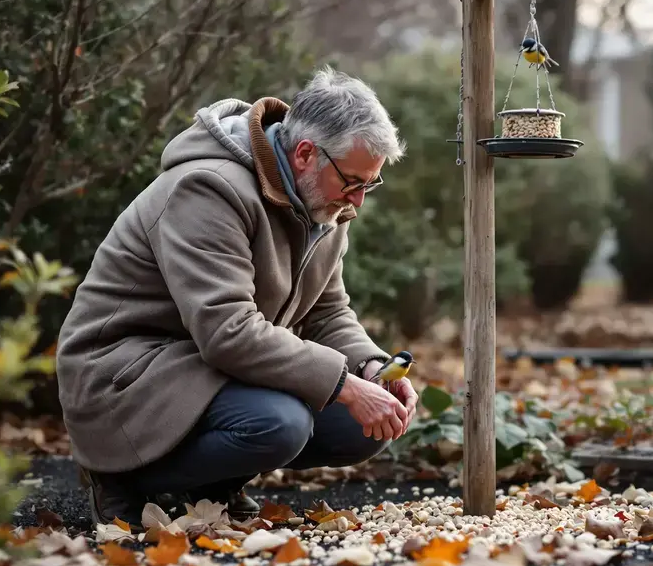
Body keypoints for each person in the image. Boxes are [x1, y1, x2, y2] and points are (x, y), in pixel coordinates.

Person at [55, 66, 419, 526]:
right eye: (352, 181)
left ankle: (211, 486)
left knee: (363, 427)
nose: (358, 201)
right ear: (306, 154)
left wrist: (372, 368)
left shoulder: (323, 204)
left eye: (369, 183)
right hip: (125, 373)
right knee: (280, 424)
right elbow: (227, 331)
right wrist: (344, 386)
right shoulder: (208, 188)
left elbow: (328, 313)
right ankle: (121, 479)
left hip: (205, 369)